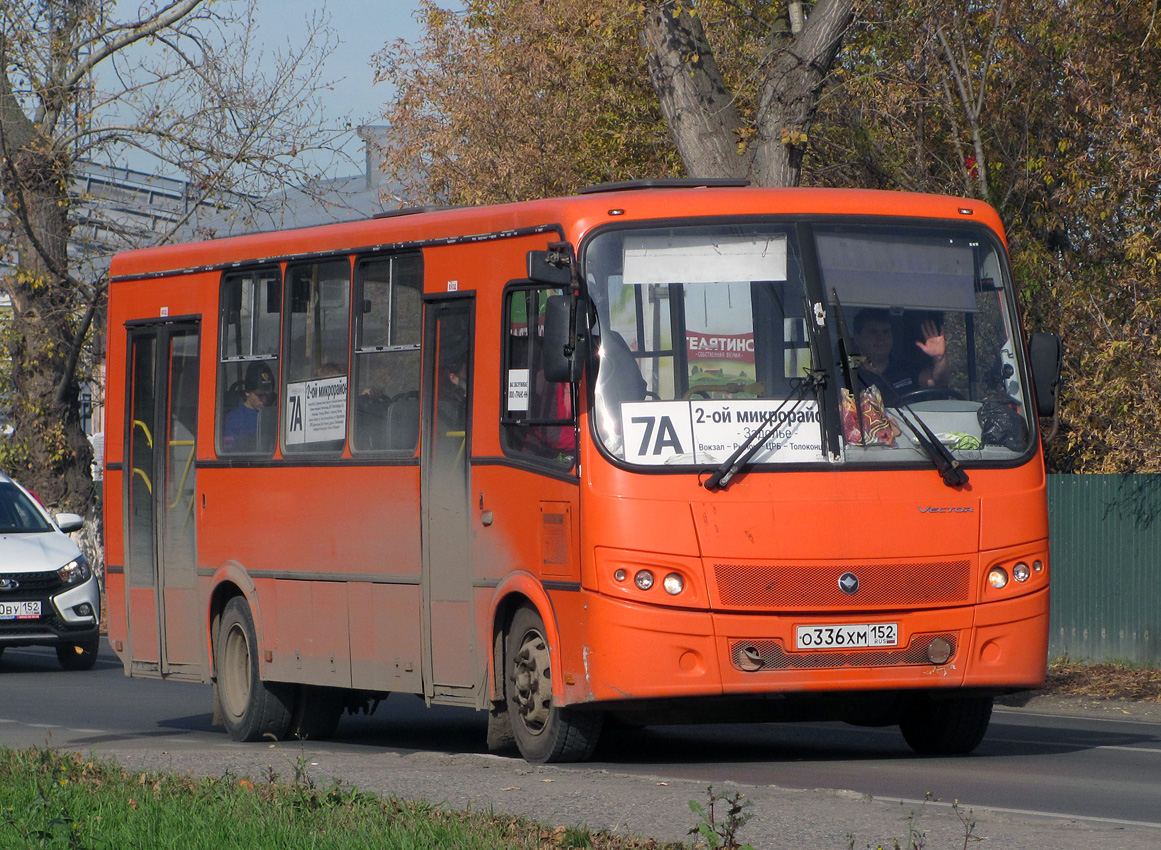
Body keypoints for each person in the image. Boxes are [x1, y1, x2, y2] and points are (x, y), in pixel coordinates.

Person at [851, 308, 950, 403]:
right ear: (857, 339)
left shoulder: (906, 368)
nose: (881, 338)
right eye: (873, 332)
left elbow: (938, 381)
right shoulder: (845, 370)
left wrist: (939, 359)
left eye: (886, 332)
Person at [222, 362, 275, 452]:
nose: (265, 400)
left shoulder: (275, 415)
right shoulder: (234, 418)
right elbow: (229, 452)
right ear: (247, 392)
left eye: (268, 395)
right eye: (260, 395)